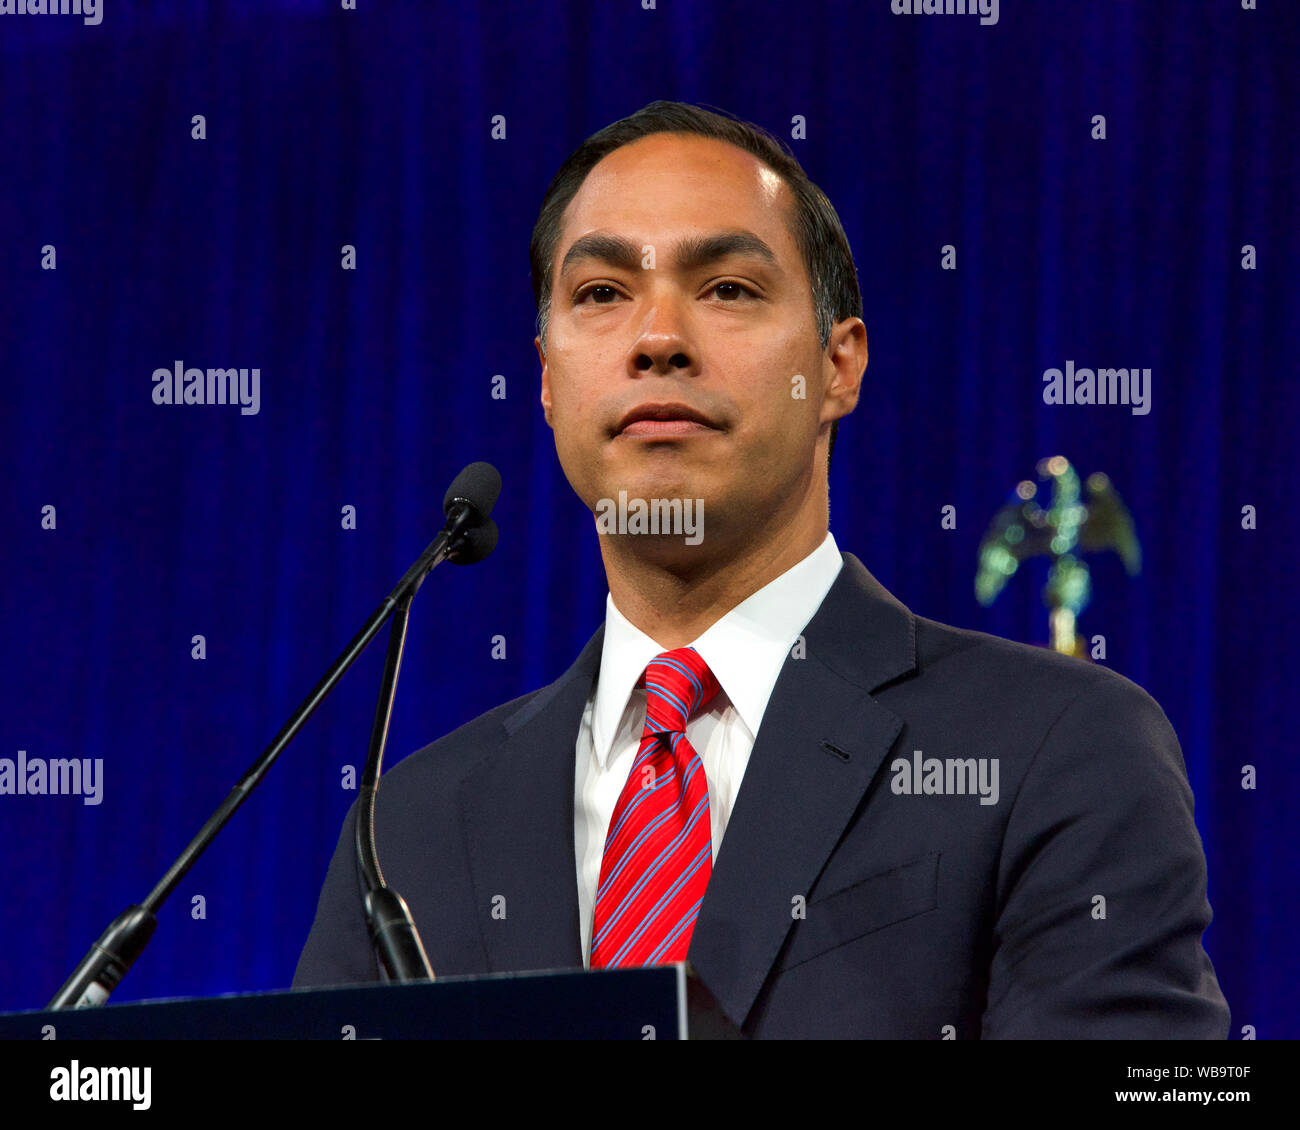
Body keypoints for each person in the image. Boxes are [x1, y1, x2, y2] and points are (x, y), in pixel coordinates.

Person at [292, 100, 1230, 1038]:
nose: (656, 338)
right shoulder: (408, 829)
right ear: (546, 380)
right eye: (602, 294)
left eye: (728, 288)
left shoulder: (1056, 746)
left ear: (837, 366)